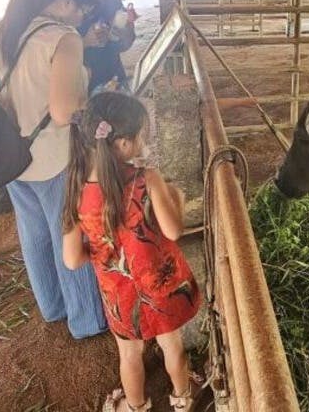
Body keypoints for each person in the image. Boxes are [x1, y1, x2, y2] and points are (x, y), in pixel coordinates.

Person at [62, 92, 201, 412]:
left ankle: (135, 406)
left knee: (129, 354)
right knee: (172, 346)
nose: (143, 142)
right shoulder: (146, 179)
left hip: (119, 296)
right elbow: (173, 231)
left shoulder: (75, 189)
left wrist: (104, 249)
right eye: (141, 136)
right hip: (162, 285)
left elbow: (72, 260)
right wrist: (177, 198)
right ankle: (182, 398)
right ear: (123, 143)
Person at [0, 0, 106, 340]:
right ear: (67, 2)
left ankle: (53, 306)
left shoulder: (2, 31)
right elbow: (62, 112)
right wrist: (94, 113)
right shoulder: (63, 38)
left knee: (34, 233)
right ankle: (87, 319)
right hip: (54, 157)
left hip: (10, 154)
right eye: (82, 9)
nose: (82, 17)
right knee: (68, 235)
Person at [53, 0, 136, 93]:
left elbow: (126, 44)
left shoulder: (110, 0)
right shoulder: (55, 9)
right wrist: (84, 43)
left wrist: (119, 32)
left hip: (112, 81)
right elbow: (48, 56)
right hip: (75, 87)